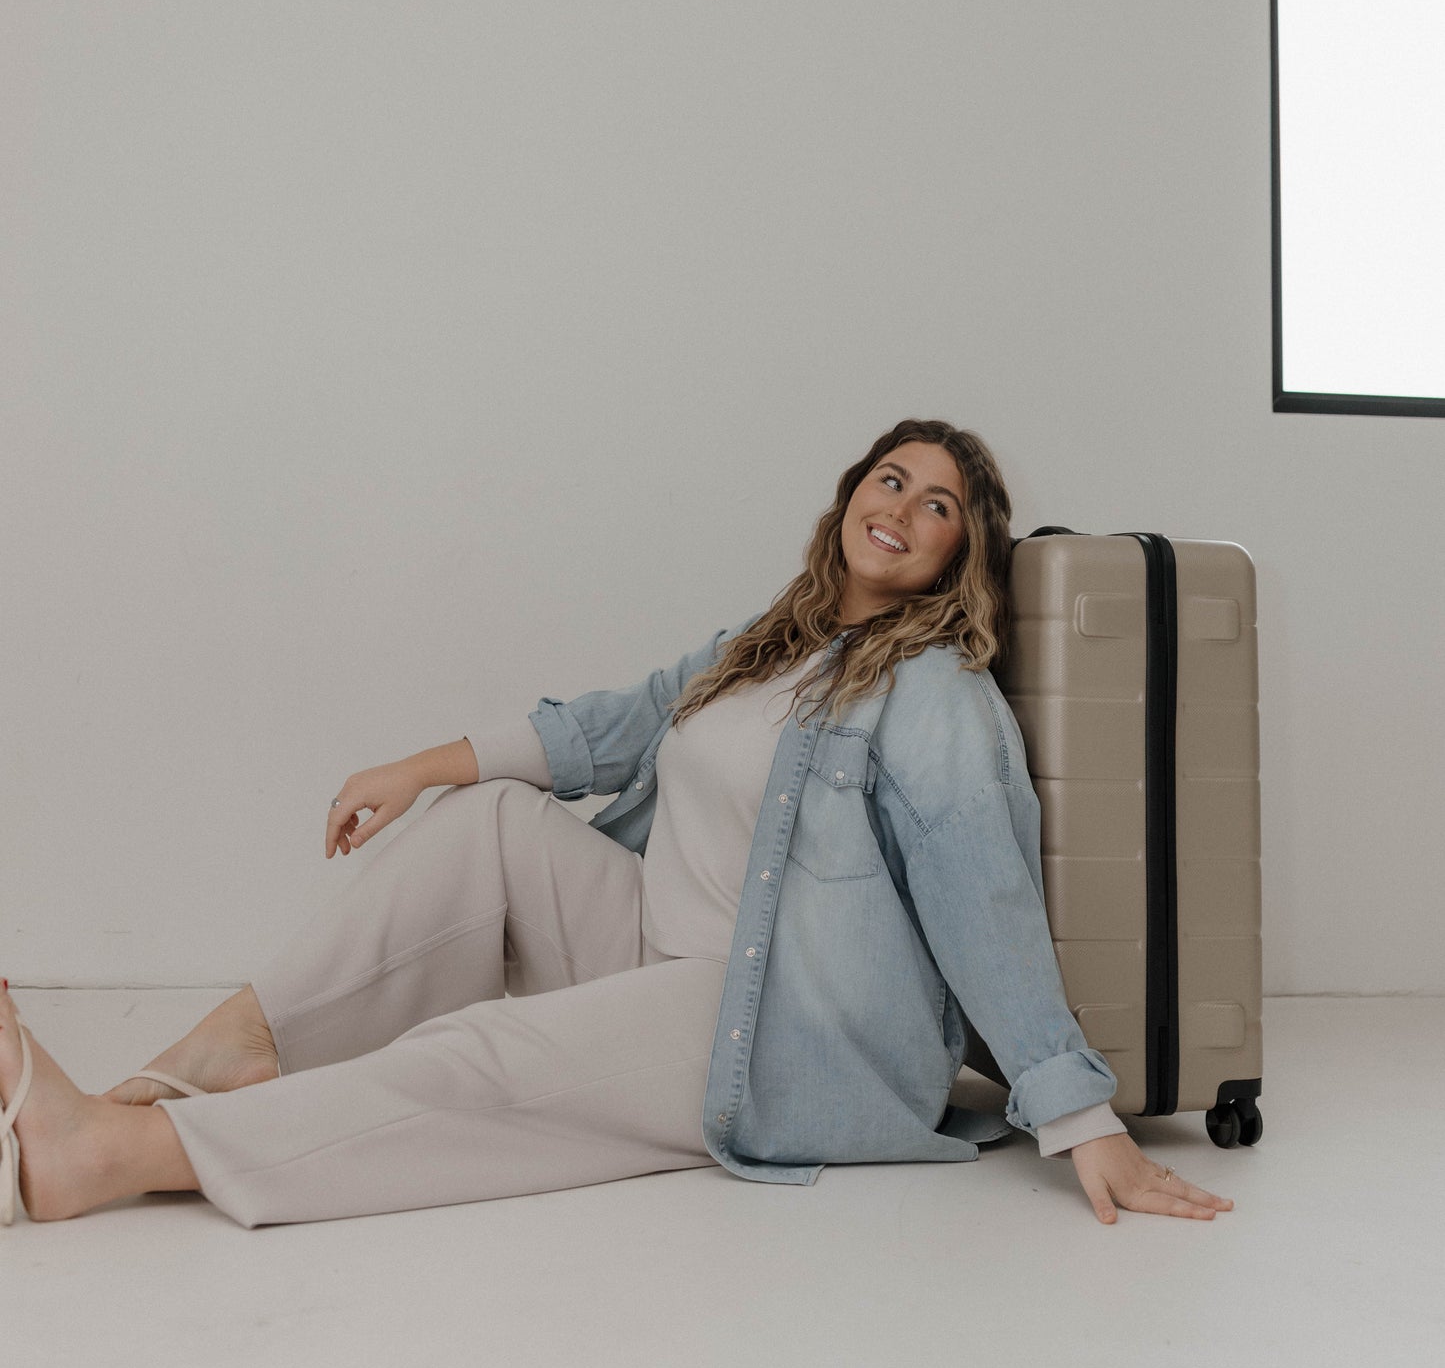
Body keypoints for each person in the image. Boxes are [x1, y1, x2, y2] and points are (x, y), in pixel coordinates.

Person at [0, 418, 1232, 1230]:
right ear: (850, 494)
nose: (904, 506)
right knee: (488, 819)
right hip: (655, 941)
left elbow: (987, 893)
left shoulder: (933, 695)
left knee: (478, 1061)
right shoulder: (771, 644)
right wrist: (420, 764)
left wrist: (1080, 1118)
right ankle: (221, 1054)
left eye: (942, 504)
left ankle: (110, 1155)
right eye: (890, 478)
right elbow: (621, 723)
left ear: (965, 554)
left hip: (772, 1023)